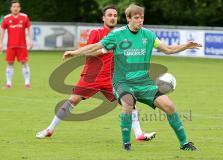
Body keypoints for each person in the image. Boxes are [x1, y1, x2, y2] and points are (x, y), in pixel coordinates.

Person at [62, 4, 202, 151]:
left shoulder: (148, 35)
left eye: (142, 18)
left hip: (144, 82)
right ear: (128, 19)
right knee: (128, 103)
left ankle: (184, 143)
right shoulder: (117, 35)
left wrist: (185, 46)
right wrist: (74, 52)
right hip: (122, 82)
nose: (140, 21)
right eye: (136, 18)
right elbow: (95, 47)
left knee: (169, 106)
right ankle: (126, 144)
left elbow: (168, 49)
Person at [36, 5, 156, 141]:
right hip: (91, 76)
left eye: (115, 16)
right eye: (109, 15)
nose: (112, 18)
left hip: (111, 78)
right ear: (103, 18)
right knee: (72, 101)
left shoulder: (121, 34)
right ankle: (49, 129)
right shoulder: (96, 33)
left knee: (129, 102)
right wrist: (105, 50)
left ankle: (139, 134)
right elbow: (89, 51)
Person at [0, 0, 33, 89]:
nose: (15, 8)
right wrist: (0, 43)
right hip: (10, 45)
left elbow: (29, 28)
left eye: (17, 7)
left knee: (24, 62)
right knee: (10, 63)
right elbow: (2, 30)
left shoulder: (24, 17)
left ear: (20, 8)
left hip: (22, 45)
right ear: (11, 8)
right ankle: (8, 84)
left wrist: (31, 40)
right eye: (14, 7)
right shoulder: (6, 18)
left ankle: (27, 83)